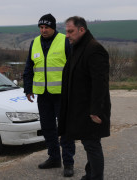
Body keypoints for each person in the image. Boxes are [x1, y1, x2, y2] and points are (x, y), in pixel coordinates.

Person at [58, 16, 111, 180]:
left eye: (70, 31)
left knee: (92, 144)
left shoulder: (94, 49)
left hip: (91, 110)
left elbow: (100, 83)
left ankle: (96, 177)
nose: (67, 35)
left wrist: (95, 110)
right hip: (81, 108)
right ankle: (90, 175)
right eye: (66, 31)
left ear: (82, 30)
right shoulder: (79, 47)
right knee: (89, 144)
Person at [23, 13, 76, 177]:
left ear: (53, 27)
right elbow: (29, 68)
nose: (43, 30)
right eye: (41, 27)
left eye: (46, 27)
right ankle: (54, 158)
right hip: (43, 95)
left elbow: (75, 67)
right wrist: (28, 88)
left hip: (62, 94)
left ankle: (68, 163)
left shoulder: (65, 41)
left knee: (65, 129)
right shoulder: (35, 43)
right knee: (47, 128)